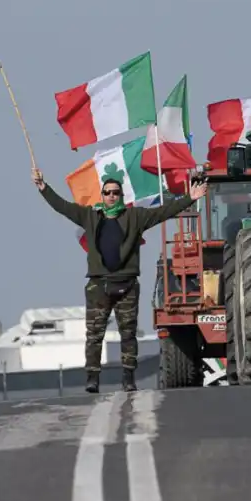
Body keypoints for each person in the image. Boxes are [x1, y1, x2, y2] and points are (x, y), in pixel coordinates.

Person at [33, 168, 207, 393]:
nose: (111, 196)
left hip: (127, 285)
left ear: (121, 196)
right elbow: (62, 206)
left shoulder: (135, 217)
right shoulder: (90, 217)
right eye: (107, 193)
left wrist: (189, 198)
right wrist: (43, 188)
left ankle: (128, 377)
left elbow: (163, 212)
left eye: (115, 193)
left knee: (128, 334)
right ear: (102, 196)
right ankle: (92, 378)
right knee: (94, 334)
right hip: (98, 285)